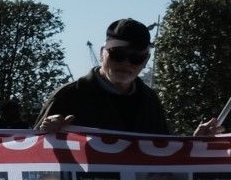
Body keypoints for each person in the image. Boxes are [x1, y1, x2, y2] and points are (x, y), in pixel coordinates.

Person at [39, 18, 213, 137]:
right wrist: (46, 132)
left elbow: (162, 155)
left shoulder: (150, 100)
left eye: (136, 58)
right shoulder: (69, 96)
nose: (126, 63)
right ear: (102, 53)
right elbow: (33, 157)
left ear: (146, 61)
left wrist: (195, 144)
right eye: (117, 54)